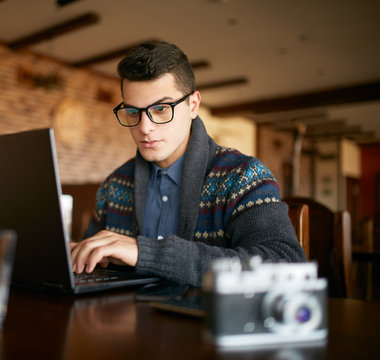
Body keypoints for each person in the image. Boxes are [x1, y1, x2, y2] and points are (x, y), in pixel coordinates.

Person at [69, 41, 306, 287]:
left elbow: (286, 266)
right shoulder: (114, 185)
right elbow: (91, 264)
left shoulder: (243, 177)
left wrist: (145, 252)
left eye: (161, 109)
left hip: (206, 323)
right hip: (127, 322)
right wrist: (77, 254)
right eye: (132, 111)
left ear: (193, 105)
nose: (144, 127)